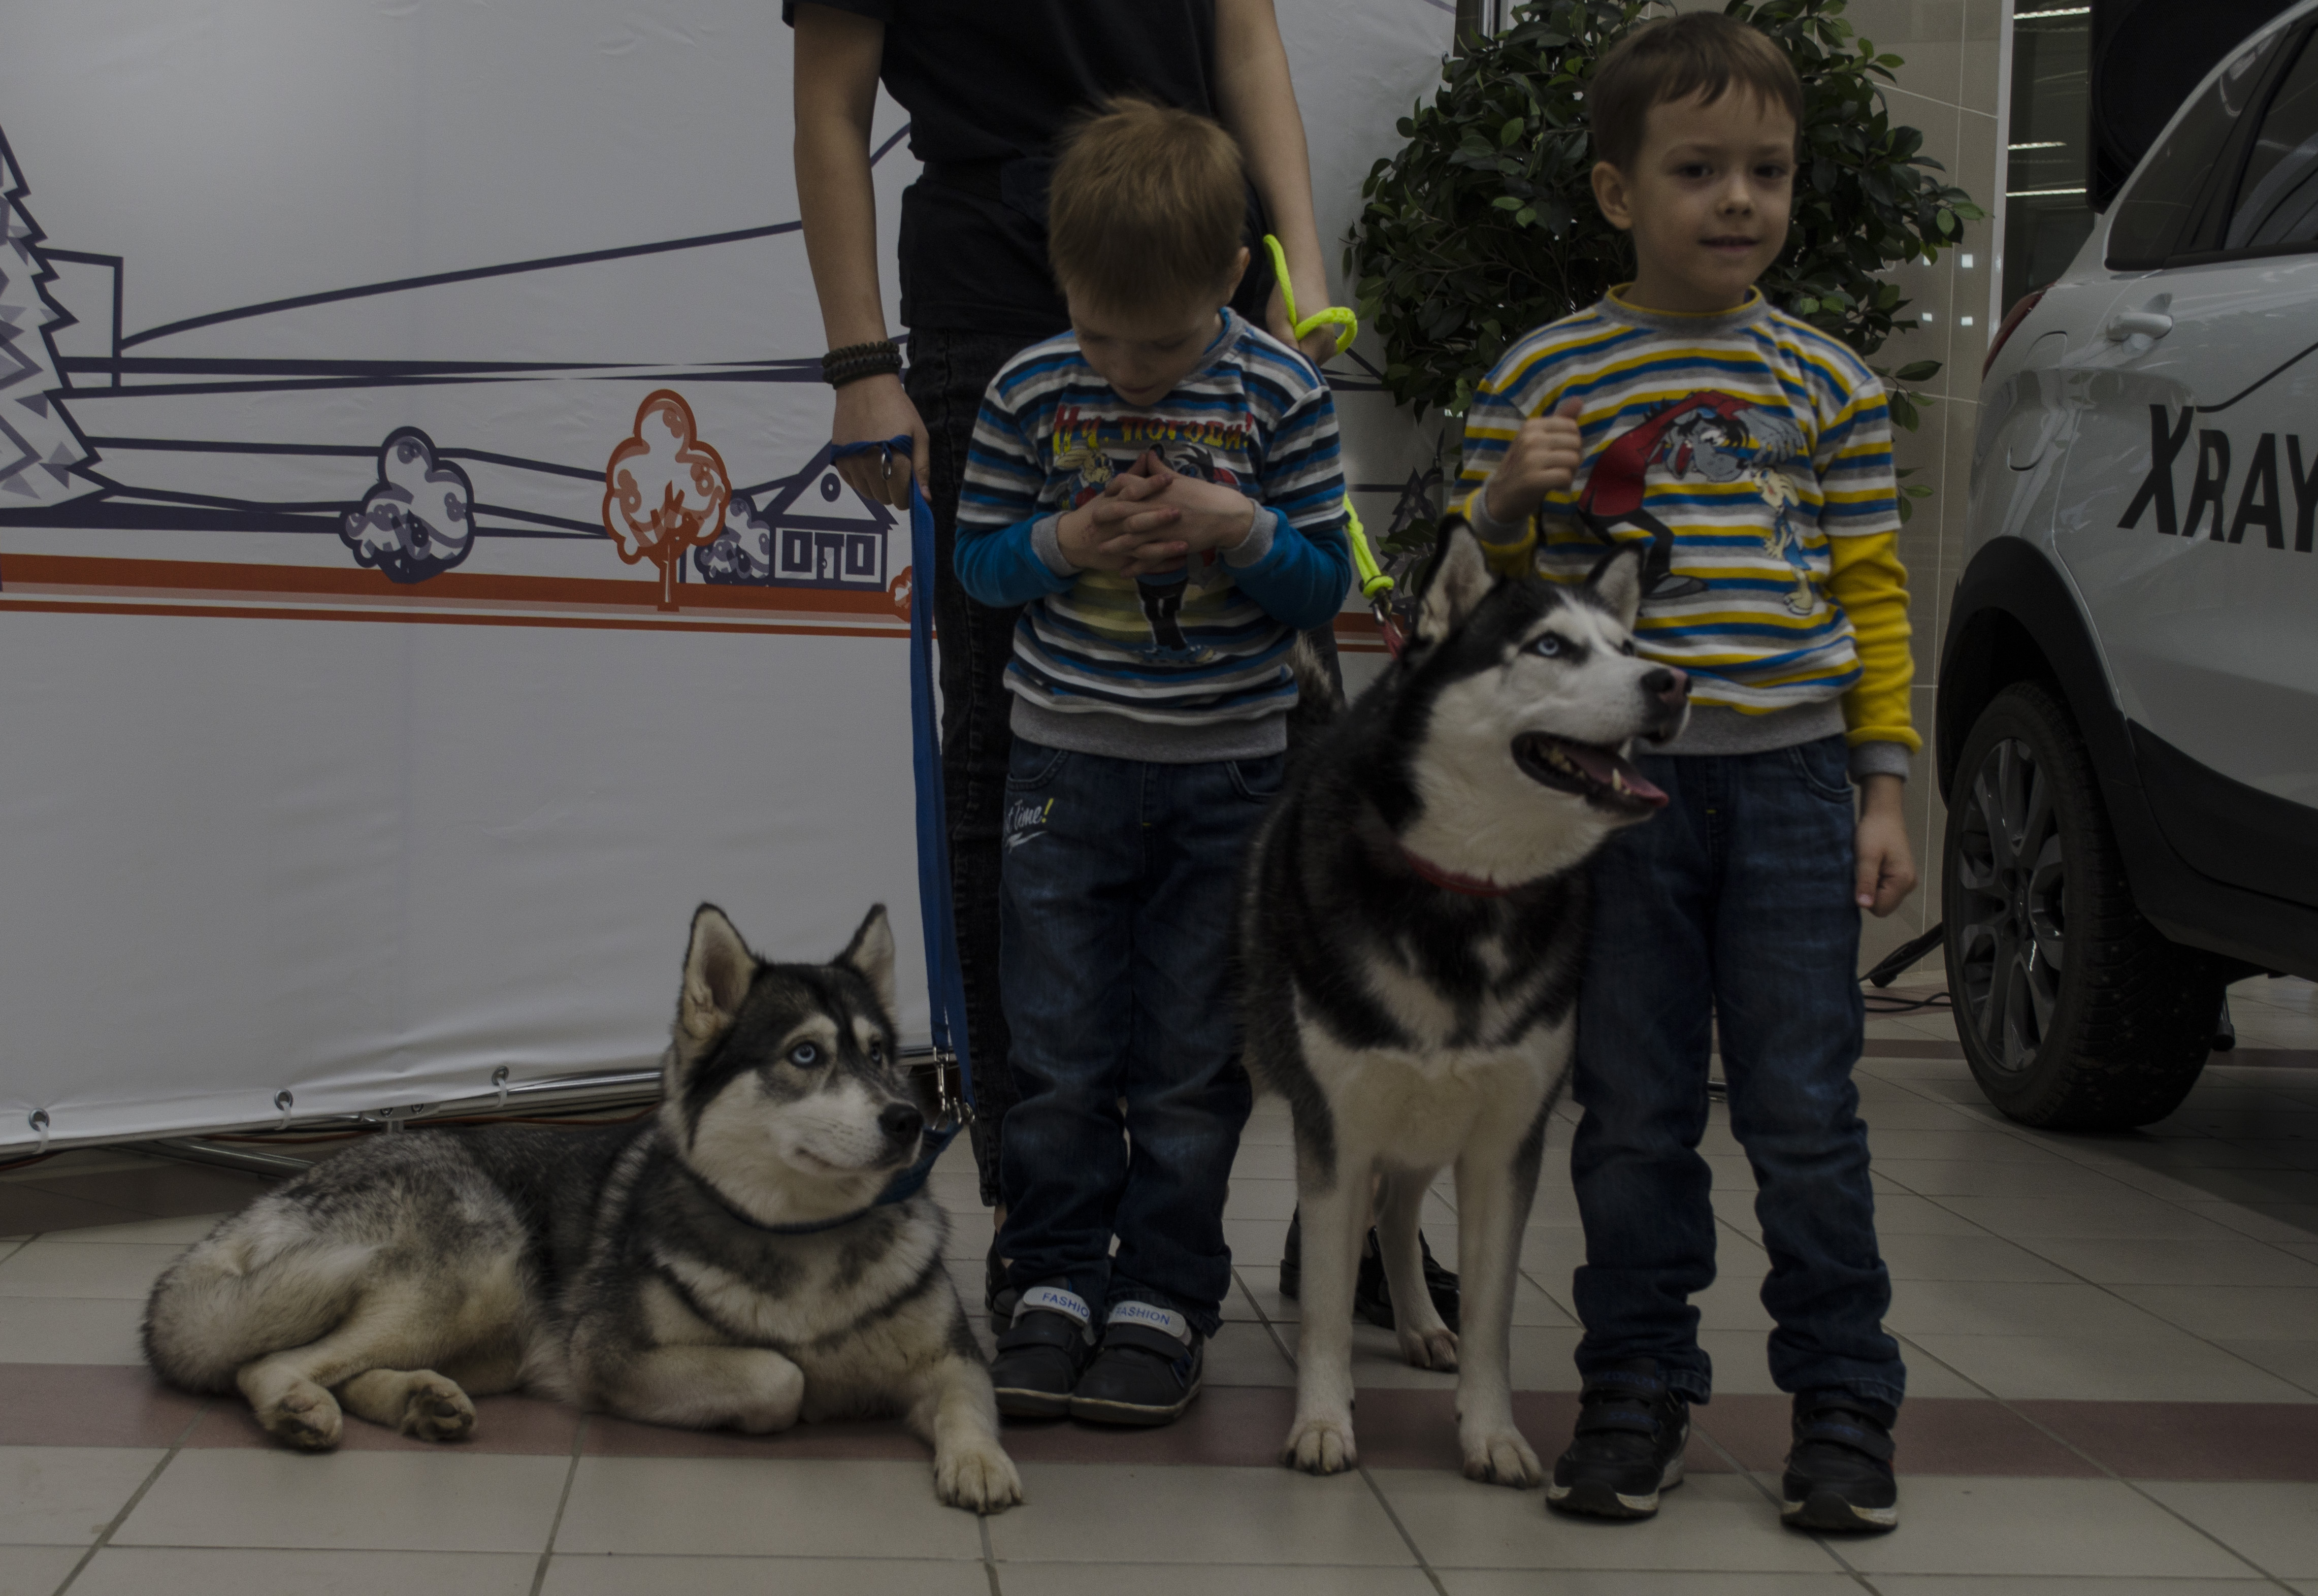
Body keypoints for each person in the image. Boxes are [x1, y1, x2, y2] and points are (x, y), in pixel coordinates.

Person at [787, 2, 1355, 1285]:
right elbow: (832, 94)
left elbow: (1245, 35)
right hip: (997, 285)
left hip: (1208, 257)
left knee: (1259, 773)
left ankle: (1178, 1252)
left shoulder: (1259, 367)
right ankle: (1036, 1226)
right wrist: (859, 359)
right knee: (1004, 769)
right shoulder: (1032, 370)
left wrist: (1300, 269)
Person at [1454, 12, 1916, 1533]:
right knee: (1634, 1104)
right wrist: (1509, 508)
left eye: (1767, 172)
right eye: (1698, 170)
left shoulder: (1830, 384)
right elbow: (1494, 613)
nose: (1738, 201)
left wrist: (1881, 785)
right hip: (1617, 802)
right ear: (1612, 194)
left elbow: (1869, 597)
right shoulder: (1546, 373)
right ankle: (1632, 1389)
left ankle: (1842, 1403)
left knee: (1800, 1106)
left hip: (1788, 786)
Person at [952, 99, 1352, 1426]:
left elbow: (1317, 598)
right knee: (1061, 1049)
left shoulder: (1276, 391)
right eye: (1102, 334)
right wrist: (1069, 544)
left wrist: (1240, 528)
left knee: (1188, 1060)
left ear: (1232, 281)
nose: (1127, 369)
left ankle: (1165, 1294)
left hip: (1226, 779)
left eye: (1164, 342)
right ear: (1063, 285)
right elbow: (980, 568)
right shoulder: (1027, 389)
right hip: (1062, 773)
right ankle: (1052, 1282)